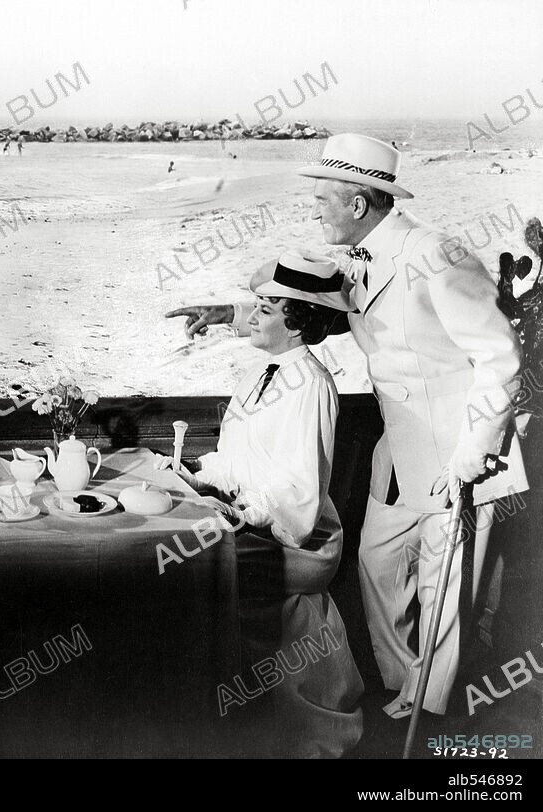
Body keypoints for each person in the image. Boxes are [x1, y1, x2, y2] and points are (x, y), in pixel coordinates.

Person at [166, 134, 527, 719]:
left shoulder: (437, 254)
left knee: (444, 586)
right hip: (400, 442)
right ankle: (399, 680)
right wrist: (227, 314)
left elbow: (500, 356)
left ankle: (428, 710)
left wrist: (475, 450)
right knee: (377, 563)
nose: (313, 210)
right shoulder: (362, 257)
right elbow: (312, 310)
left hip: (459, 449)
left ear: (358, 205)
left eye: (322, 200)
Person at [158, 251, 364, 757]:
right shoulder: (261, 372)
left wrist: (240, 515)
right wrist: (197, 475)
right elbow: (236, 460)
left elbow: (298, 497)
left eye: (264, 310)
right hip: (256, 520)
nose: (249, 316)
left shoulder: (311, 385)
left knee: (181, 569)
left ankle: (212, 718)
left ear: (295, 326)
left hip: (298, 540)